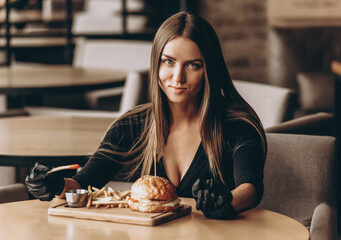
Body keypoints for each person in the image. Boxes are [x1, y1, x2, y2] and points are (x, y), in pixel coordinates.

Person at [26, 11, 267, 220]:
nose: (178, 77)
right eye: (169, 62)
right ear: (156, 64)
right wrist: (55, 184)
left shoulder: (237, 123)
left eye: (193, 65)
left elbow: (250, 188)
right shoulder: (131, 126)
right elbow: (85, 181)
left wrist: (226, 202)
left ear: (209, 69)